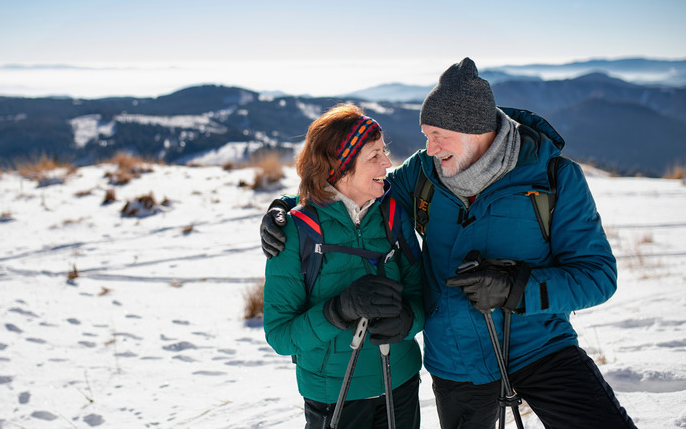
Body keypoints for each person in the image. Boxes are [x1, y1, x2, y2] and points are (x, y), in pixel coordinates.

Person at [261, 58, 637, 428]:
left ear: (475, 130)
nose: (430, 147)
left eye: (438, 135)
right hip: (457, 359)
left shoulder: (553, 179)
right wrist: (286, 208)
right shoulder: (423, 174)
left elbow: (598, 276)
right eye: (426, 134)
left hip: (541, 347)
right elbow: (350, 190)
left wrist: (517, 288)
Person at [263, 103, 425, 428]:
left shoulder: (393, 215)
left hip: (400, 383)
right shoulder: (296, 232)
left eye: (385, 151)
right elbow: (280, 334)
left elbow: (423, 294)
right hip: (333, 394)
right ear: (340, 167)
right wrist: (338, 311)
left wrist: (408, 320)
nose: (387, 163)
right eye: (374, 156)